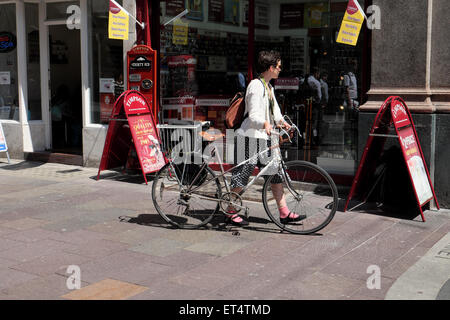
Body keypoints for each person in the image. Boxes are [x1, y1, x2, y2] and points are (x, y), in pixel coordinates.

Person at [226, 50, 305, 226]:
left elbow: (275, 112)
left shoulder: (268, 87)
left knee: (275, 174)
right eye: (278, 66)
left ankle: (284, 213)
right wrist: (265, 124)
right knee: (242, 176)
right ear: (270, 68)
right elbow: (253, 116)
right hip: (249, 137)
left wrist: (283, 123)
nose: (280, 69)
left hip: (264, 138)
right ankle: (230, 210)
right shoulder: (255, 85)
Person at [307, 67, 324, 145]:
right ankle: (314, 139)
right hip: (316, 104)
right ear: (316, 73)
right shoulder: (315, 82)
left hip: (309, 104)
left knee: (311, 122)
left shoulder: (306, 80)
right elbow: (319, 95)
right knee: (315, 122)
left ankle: (310, 138)